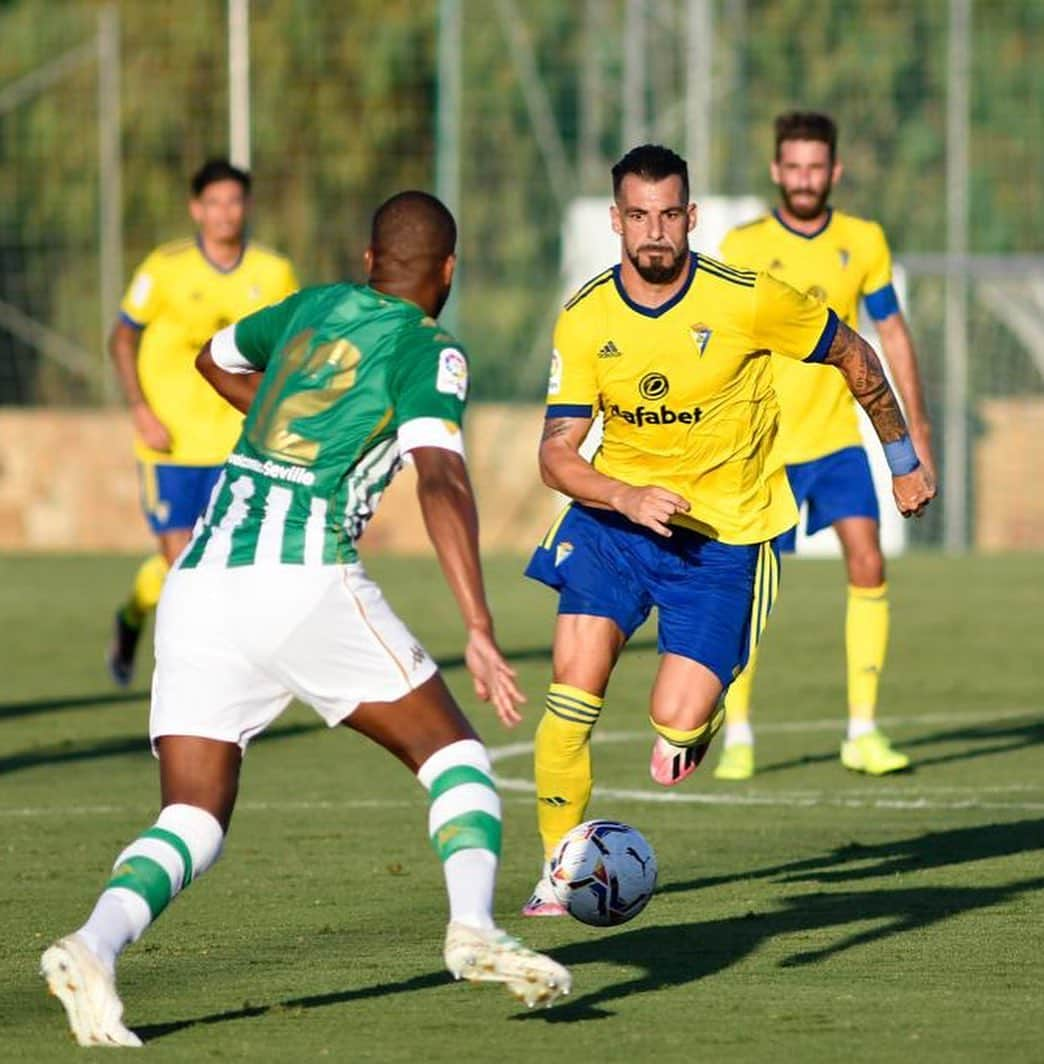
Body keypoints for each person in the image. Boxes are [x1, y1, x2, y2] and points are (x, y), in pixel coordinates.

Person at [41, 191, 570, 1047]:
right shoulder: (429, 349)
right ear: (449, 271)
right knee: (457, 757)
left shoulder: (316, 304)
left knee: (193, 817)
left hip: (201, 577)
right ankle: (472, 927)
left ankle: (93, 947)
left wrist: (292, 432)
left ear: (368, 262)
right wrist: (477, 620)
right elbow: (442, 479)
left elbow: (215, 361)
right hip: (301, 574)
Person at [520, 144, 934, 916]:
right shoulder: (584, 317)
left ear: (691, 218)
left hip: (727, 540)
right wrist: (621, 493)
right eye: (638, 216)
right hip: (615, 527)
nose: (654, 232)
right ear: (616, 220)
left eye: (669, 215)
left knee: (672, 724)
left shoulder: (746, 298)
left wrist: (903, 458)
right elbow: (555, 453)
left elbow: (852, 351)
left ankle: (699, 719)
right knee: (570, 699)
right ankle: (558, 872)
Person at [714, 112, 936, 781]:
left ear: (834, 171)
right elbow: (721, 337)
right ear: (777, 171)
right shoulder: (743, 244)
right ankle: (740, 736)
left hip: (838, 438)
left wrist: (916, 431)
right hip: (766, 446)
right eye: (794, 167)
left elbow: (891, 334)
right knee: (750, 591)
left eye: (817, 167)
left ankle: (862, 732)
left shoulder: (863, 240)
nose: (805, 179)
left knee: (869, 563)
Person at [107, 158, 299, 687]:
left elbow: (290, 351)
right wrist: (140, 410)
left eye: (234, 202)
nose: (224, 213)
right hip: (169, 443)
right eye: (213, 203)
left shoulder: (273, 272)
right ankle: (134, 618)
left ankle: (221, 673)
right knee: (183, 567)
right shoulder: (163, 268)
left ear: (247, 207)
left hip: (238, 440)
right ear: (196, 209)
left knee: (228, 563)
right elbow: (122, 337)